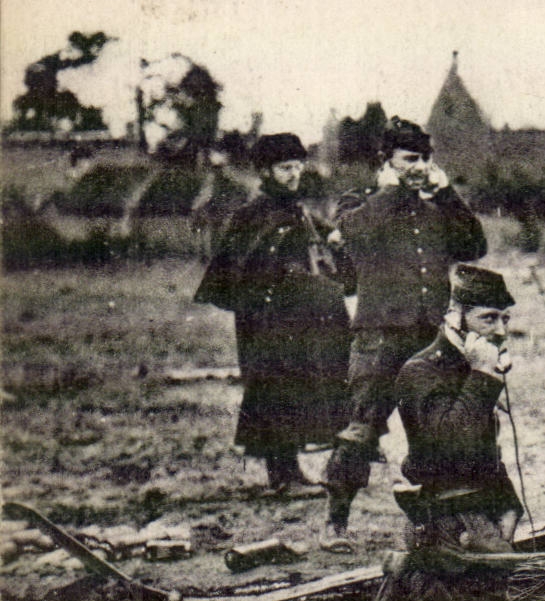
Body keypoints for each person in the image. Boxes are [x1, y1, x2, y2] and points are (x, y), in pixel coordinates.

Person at [321, 117, 487, 549]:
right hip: (379, 337)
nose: (419, 167)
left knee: (441, 427)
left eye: (424, 158)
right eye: (409, 159)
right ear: (387, 161)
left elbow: (473, 245)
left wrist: (447, 192)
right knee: (362, 428)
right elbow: (351, 235)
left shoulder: (435, 209)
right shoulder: (359, 202)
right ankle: (335, 521)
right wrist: (391, 189)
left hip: (429, 337)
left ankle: (439, 522)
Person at [194, 133, 349, 495]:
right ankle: (282, 476)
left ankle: (290, 471)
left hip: (294, 319)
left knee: (296, 388)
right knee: (274, 390)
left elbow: (321, 240)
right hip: (265, 322)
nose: (294, 174)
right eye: (285, 168)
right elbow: (239, 268)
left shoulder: (295, 209)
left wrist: (336, 240)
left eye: (297, 166)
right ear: (265, 171)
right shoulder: (253, 213)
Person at [394, 264, 522, 554]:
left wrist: (509, 503)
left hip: (480, 511)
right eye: (488, 318)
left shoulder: (471, 364)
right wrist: (482, 377)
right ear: (455, 316)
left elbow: (483, 450)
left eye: (505, 319)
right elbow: (453, 444)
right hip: (444, 519)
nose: (500, 331)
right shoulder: (421, 371)